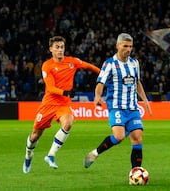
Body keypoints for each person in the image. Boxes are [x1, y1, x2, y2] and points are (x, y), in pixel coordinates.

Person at [22, 36, 100, 174]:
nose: (60, 50)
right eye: (57, 47)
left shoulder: (72, 62)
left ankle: (51, 155)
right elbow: (51, 88)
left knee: (68, 122)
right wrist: (66, 92)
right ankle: (28, 155)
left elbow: (88, 66)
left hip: (63, 104)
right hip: (49, 104)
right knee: (35, 135)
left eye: (62, 47)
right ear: (51, 49)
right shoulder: (47, 65)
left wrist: (102, 74)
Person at [84, 33, 152, 170]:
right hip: (117, 107)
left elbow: (137, 82)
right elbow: (100, 83)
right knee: (119, 136)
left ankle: (136, 171)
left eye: (130, 46)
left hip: (133, 108)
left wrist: (145, 100)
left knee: (137, 138)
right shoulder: (110, 64)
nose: (128, 49)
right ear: (117, 46)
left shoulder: (134, 63)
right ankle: (94, 153)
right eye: (125, 46)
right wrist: (97, 96)